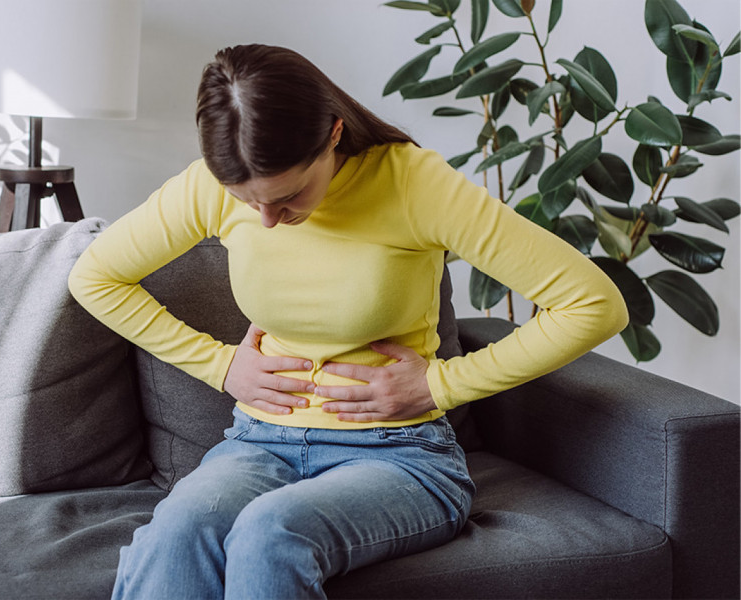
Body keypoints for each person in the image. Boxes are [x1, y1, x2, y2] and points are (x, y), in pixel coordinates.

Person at [68, 44, 628, 600]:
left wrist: (441, 384)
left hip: (398, 453)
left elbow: (594, 304)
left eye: (287, 196)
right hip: (259, 441)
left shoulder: (413, 184)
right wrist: (219, 365)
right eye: (247, 201)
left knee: (271, 533)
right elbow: (95, 277)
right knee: (177, 532)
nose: (266, 220)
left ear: (333, 134)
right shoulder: (207, 188)